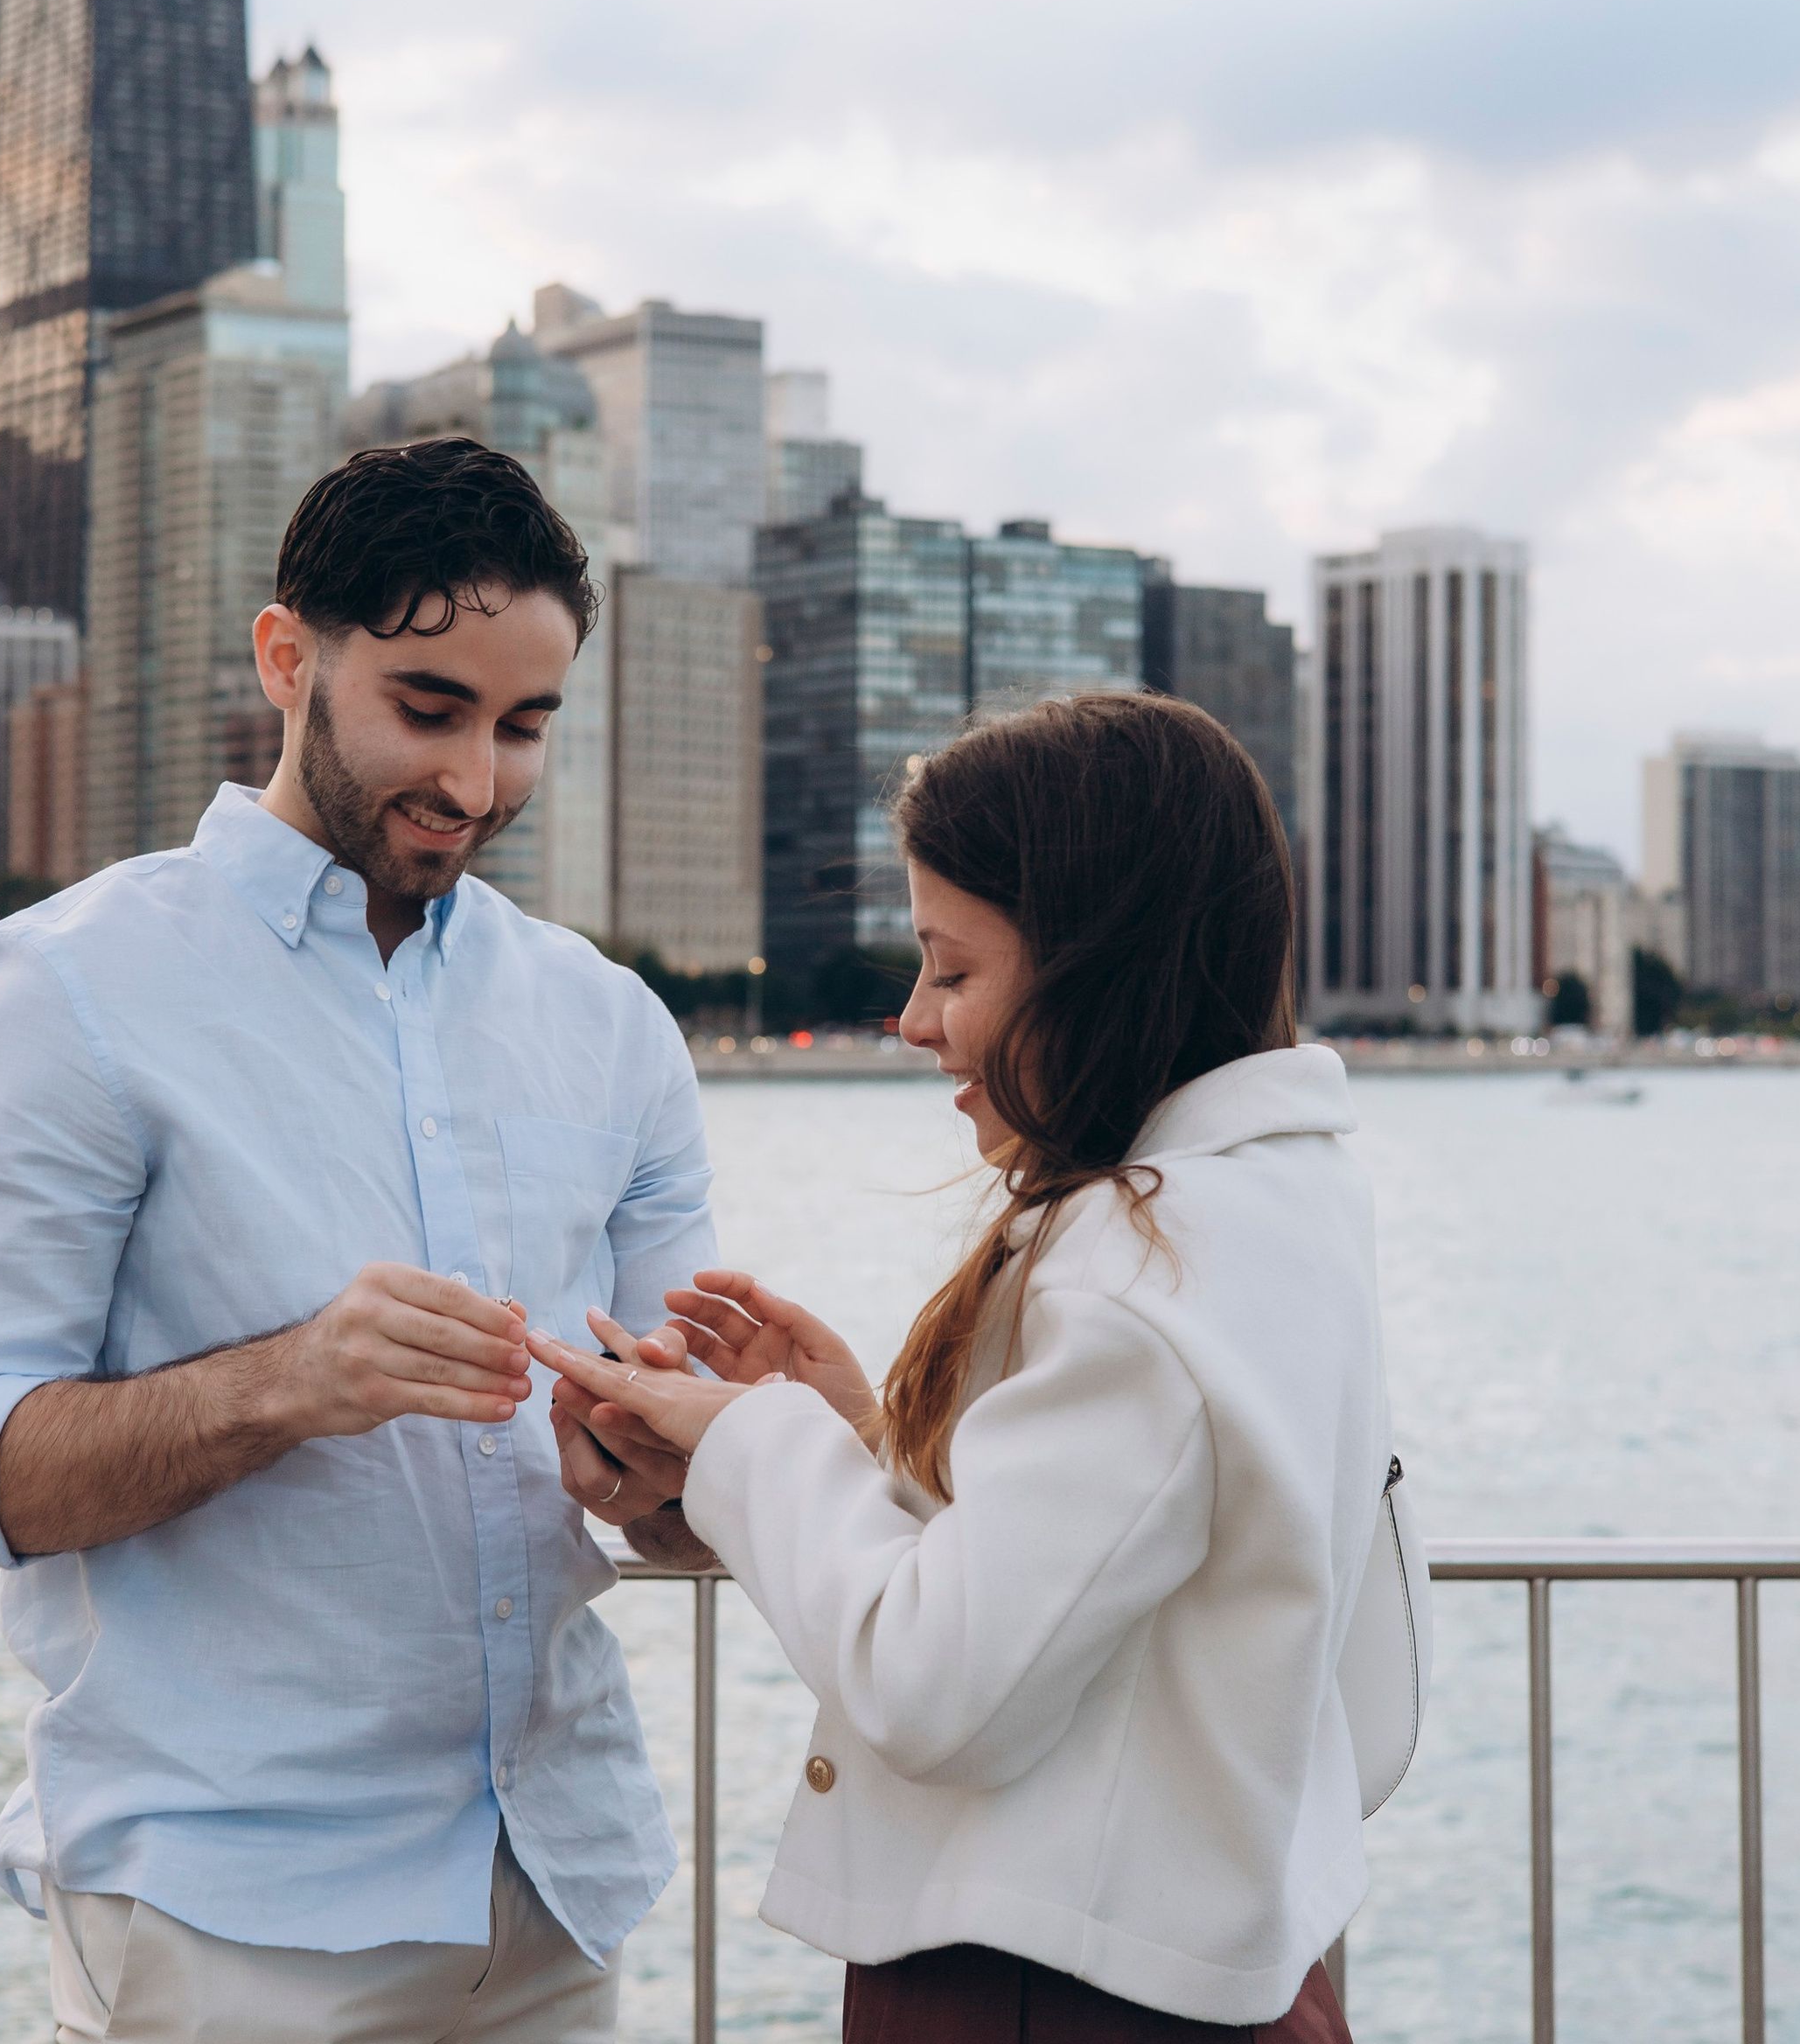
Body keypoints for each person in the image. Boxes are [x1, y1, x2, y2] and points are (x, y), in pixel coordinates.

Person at [0, 437, 714, 2044]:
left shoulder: (614, 1029)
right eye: (429, 707)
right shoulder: (69, 990)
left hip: (555, 1891)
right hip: (225, 1917)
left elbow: (676, 1513)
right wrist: (289, 1384)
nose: (477, 784)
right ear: (288, 660)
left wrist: (675, 1465)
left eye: (524, 725)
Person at [537, 693, 1386, 2043]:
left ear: (1094, 969)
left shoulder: (1138, 1268)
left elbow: (937, 1691)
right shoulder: (1285, 1204)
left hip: (1046, 1986)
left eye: (952, 967)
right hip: (1216, 1965)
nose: (913, 1019)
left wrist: (751, 1439)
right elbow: (1117, 1581)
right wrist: (865, 1439)